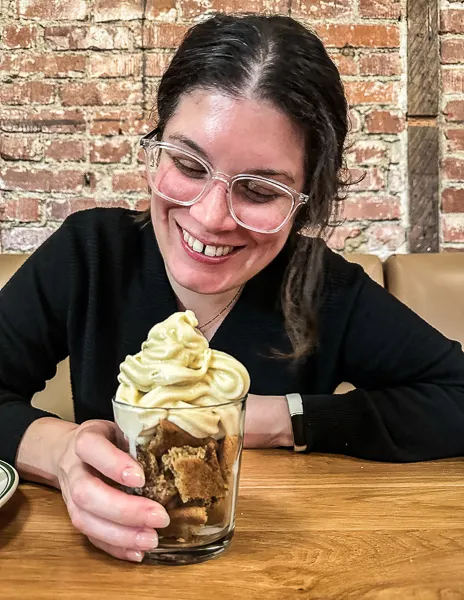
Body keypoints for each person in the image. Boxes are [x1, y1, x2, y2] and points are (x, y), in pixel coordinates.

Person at [1, 13, 464, 563]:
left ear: (306, 199)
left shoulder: (325, 287)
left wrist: (269, 418)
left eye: (260, 189)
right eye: (188, 163)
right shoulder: (91, 255)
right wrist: (60, 455)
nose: (210, 216)